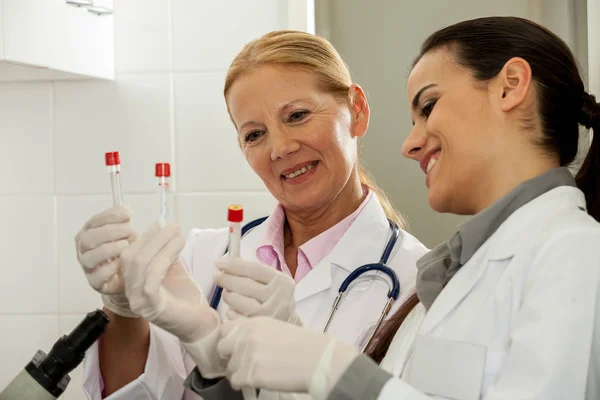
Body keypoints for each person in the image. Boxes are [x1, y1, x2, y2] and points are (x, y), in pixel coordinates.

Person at [213, 16, 600, 400]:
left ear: (510, 86)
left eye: (429, 106)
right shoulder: (459, 276)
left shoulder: (575, 252)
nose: (409, 144)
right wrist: (210, 361)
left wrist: (338, 373)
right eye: (253, 134)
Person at [74, 30, 428, 399]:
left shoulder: (415, 282)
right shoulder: (201, 257)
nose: (281, 148)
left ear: (357, 109)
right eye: (255, 134)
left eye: (297, 115)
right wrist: (124, 309)